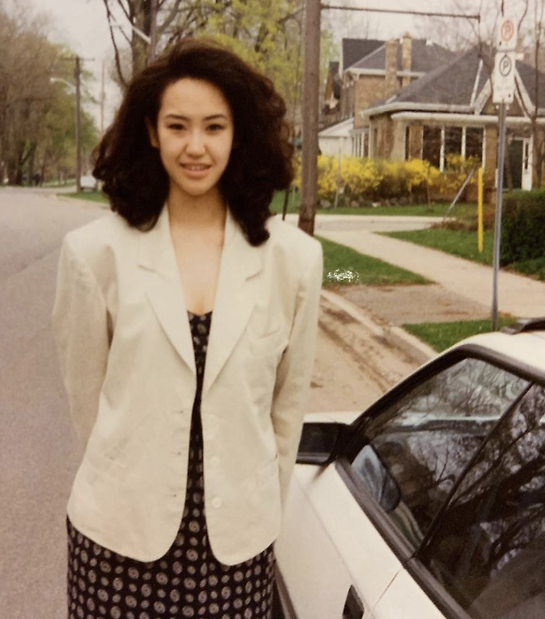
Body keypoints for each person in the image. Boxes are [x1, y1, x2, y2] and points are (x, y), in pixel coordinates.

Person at [51, 38, 323, 619]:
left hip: (237, 553)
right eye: (177, 126)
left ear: (238, 134)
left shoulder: (295, 261)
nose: (195, 146)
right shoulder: (94, 254)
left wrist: (259, 515)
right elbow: (89, 408)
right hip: (118, 545)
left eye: (214, 127)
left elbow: (286, 413)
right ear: (151, 132)